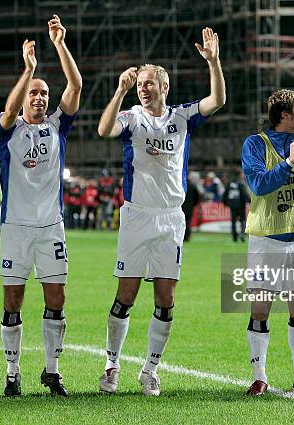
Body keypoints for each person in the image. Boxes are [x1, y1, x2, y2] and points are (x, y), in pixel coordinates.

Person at [96, 27, 225, 396]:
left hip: (171, 217)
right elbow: (104, 129)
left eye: (150, 82)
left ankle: (150, 369)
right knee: (127, 294)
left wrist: (213, 62)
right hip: (136, 216)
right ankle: (112, 365)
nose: (144, 87)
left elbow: (217, 99)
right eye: (140, 83)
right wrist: (119, 90)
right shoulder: (132, 117)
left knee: (166, 298)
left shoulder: (181, 117)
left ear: (164, 87)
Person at [0, 14, 82, 397]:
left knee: (56, 297)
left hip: (51, 227)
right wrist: (27, 70)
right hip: (15, 228)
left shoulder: (57, 127)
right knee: (13, 299)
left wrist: (59, 44)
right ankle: (13, 373)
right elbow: (8, 111)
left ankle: (51, 370)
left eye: (44, 93)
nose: (40, 97)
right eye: (35, 92)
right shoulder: (9, 129)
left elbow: (76, 85)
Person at [242, 89, 294, 396]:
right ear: (285, 116)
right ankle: (260, 377)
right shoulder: (255, 144)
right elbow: (259, 184)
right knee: (261, 309)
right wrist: (288, 163)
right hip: (266, 239)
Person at [223, 170, 249, 242]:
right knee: (242, 220)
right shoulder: (240, 183)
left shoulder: (229, 183)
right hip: (240, 205)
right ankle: (242, 234)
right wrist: (248, 201)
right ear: (239, 175)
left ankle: (234, 236)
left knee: (233, 221)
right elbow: (244, 194)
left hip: (232, 205)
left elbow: (225, 194)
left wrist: (225, 203)